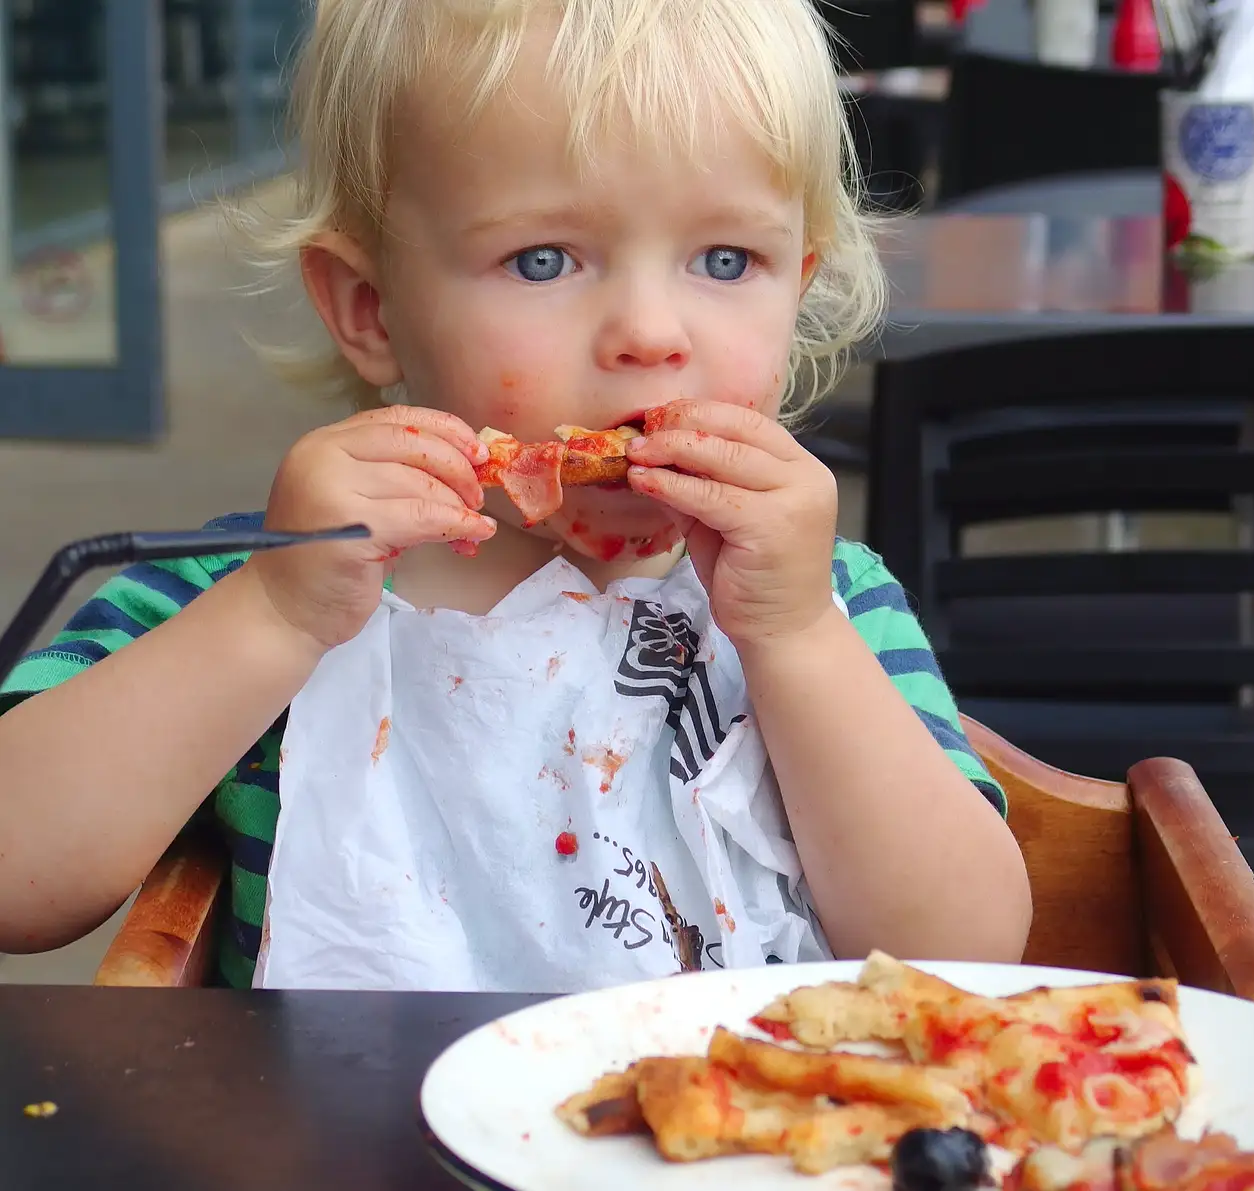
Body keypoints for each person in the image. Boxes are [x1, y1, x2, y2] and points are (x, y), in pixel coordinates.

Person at [0, 0, 1031, 989]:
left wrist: (799, 640)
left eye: (726, 258)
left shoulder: (826, 603)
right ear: (371, 308)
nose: (650, 331)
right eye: (543, 259)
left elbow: (962, 952)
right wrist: (272, 615)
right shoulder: (261, 579)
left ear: (796, 286)